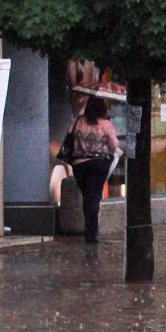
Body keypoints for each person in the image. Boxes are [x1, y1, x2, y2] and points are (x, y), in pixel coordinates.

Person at [64, 97, 122, 245]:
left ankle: (90, 231)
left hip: (79, 166)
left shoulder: (77, 122)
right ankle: (91, 233)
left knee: (87, 197)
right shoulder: (106, 124)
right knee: (94, 198)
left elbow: (68, 135)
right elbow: (114, 145)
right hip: (98, 165)